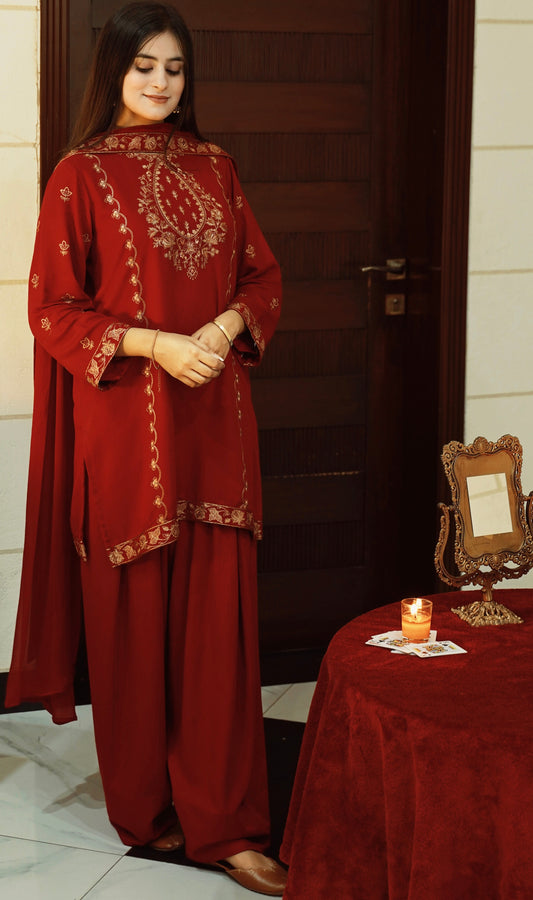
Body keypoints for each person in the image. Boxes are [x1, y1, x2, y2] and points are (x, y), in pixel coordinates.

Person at [6, 2, 286, 895]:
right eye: (144, 66)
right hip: (130, 427)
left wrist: (226, 325)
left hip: (215, 424)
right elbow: (53, 308)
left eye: (174, 67)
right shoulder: (79, 175)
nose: (161, 82)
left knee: (216, 629)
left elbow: (260, 274)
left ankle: (227, 820)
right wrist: (157, 344)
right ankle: (146, 807)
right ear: (114, 74)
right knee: (131, 626)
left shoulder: (216, 167)